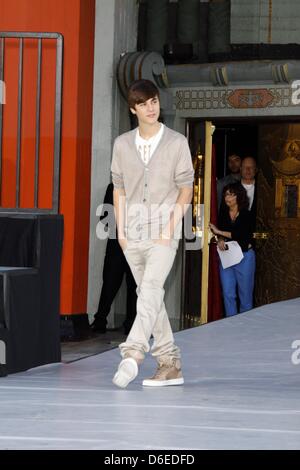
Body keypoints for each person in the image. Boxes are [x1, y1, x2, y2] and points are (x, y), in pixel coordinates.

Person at [111, 79, 194, 388]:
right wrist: (120, 232)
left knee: (149, 291)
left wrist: (169, 230)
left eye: (154, 101)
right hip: (131, 232)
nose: (151, 108)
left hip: (164, 229)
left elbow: (186, 189)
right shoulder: (122, 144)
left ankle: (132, 354)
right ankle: (170, 363)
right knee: (150, 296)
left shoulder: (176, 142)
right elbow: (118, 188)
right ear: (133, 108)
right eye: (144, 103)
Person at [91, 183, 137, 335]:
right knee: (132, 287)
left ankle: (100, 321)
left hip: (118, 243)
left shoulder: (114, 187)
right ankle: (129, 324)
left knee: (111, 284)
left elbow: (105, 218)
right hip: (132, 244)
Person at [209, 183, 255, 317]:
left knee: (245, 297)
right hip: (227, 256)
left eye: (231, 194)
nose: (227, 197)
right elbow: (222, 235)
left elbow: (242, 236)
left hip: (245, 257)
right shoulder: (223, 212)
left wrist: (219, 231)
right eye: (226, 194)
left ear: (239, 196)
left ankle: (244, 330)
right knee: (228, 294)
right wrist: (220, 238)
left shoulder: (247, 214)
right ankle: (231, 328)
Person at [241, 156, 257, 232]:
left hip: (257, 237)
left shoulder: (263, 190)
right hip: (236, 237)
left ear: (256, 169)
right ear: (240, 169)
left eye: (251, 167)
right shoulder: (231, 189)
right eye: (245, 167)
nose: (248, 170)